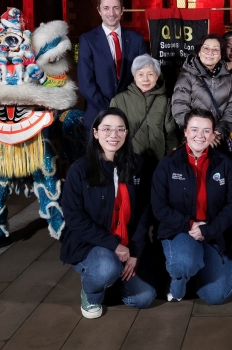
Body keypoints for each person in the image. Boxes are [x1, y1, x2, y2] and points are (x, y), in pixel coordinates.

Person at [60, 107, 156, 319]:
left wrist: (136, 252)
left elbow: (143, 213)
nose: (114, 135)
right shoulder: (80, 169)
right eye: (107, 129)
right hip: (90, 244)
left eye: (120, 129)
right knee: (105, 268)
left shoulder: (137, 165)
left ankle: (112, 279)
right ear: (95, 133)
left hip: (126, 243)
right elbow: (75, 218)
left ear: (127, 133)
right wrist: (114, 246)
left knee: (144, 297)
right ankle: (91, 291)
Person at [151, 108, 232, 304]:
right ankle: (178, 283)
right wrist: (190, 225)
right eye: (194, 129)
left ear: (213, 133)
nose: (200, 136)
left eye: (206, 130)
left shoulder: (225, 164)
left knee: (216, 295)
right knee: (184, 263)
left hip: (213, 231)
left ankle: (196, 270)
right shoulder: (168, 164)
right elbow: (159, 207)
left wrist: (209, 229)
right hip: (180, 230)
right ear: (185, 131)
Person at [78, 0, 148, 136]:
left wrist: (126, 105)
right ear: (99, 10)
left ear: (122, 10)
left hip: (130, 113)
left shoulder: (136, 39)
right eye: (106, 8)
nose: (111, 13)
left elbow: (144, 77)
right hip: (97, 114)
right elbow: (86, 83)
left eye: (116, 8)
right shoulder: (88, 40)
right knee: (97, 158)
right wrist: (110, 109)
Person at [110, 55, 179, 174]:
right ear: (134, 76)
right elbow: (112, 133)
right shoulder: (119, 100)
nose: (145, 79)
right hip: (129, 162)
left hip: (158, 163)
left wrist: (168, 159)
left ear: (157, 76)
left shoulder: (165, 101)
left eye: (150, 74)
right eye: (140, 74)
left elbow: (171, 133)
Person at [172, 34, 232, 153]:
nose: (210, 52)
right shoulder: (187, 77)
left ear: (220, 55)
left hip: (218, 139)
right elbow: (180, 108)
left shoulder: (228, 78)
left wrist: (218, 132)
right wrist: (201, 132)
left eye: (215, 50)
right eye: (206, 48)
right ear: (199, 52)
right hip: (195, 139)